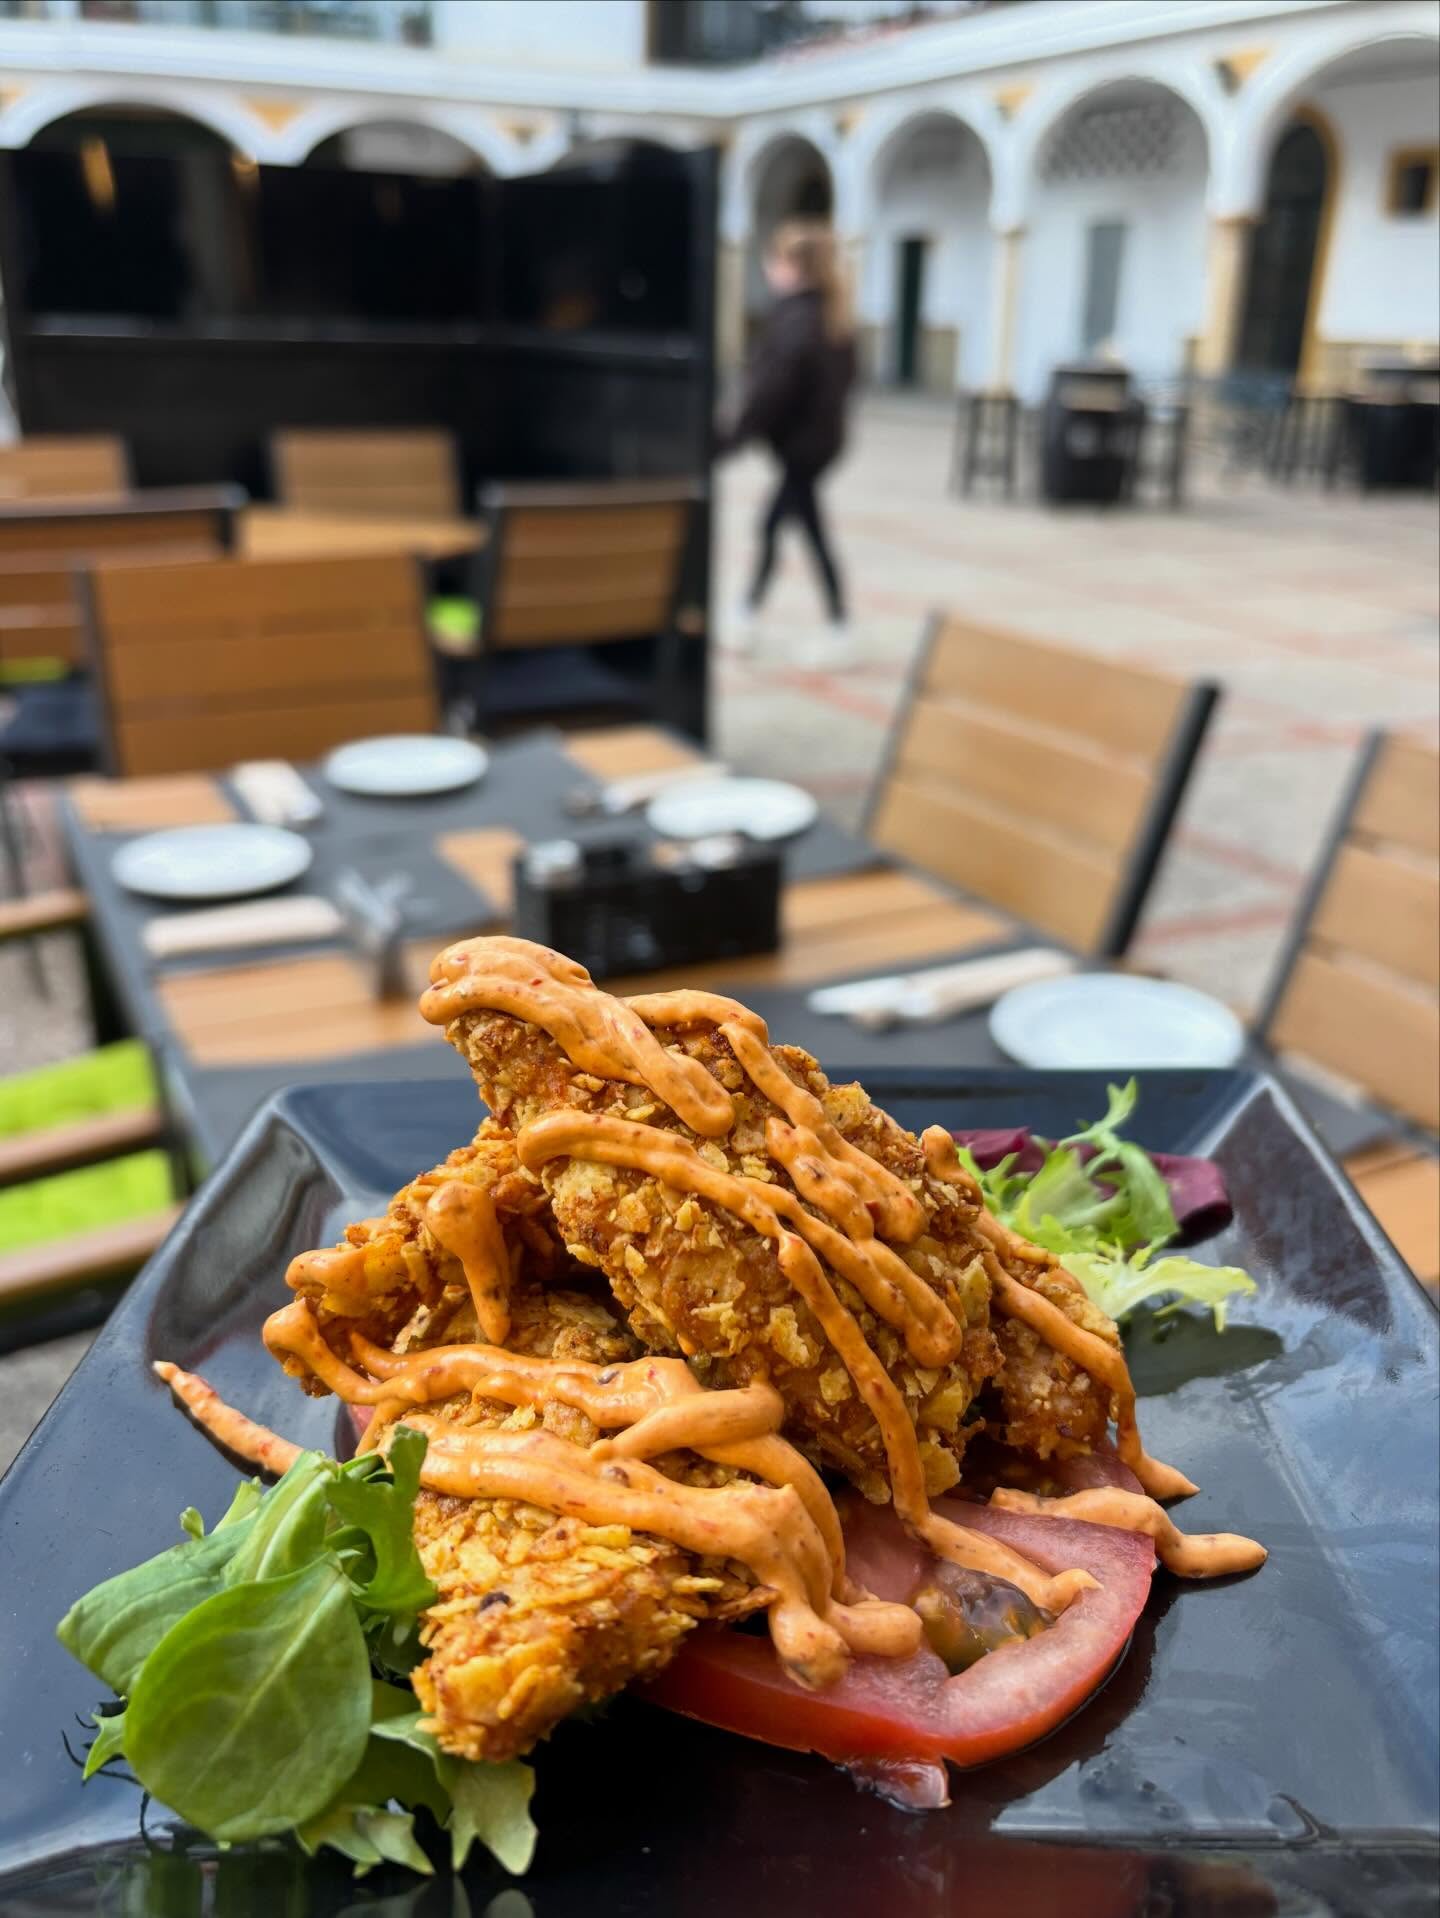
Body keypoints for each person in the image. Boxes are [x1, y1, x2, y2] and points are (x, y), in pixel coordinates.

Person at [718, 220, 857, 662]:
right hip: (815, 447)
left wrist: (729, 440)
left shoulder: (798, 321)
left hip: (803, 450)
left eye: (775, 260)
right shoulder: (827, 314)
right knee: (793, 528)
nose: (769, 268)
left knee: (782, 528)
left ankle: (761, 619)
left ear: (793, 267)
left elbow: (771, 394)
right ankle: (756, 616)